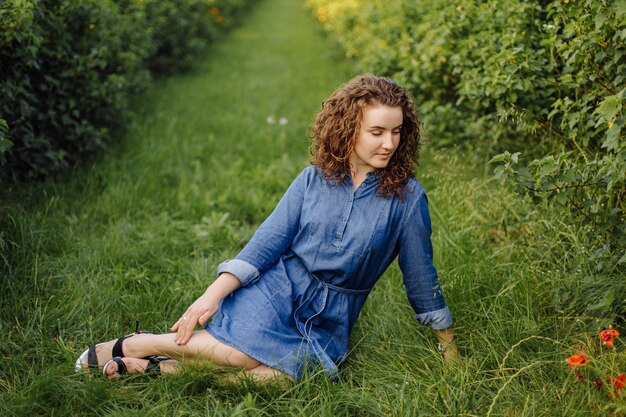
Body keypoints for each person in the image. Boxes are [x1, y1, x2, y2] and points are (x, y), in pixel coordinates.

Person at [75, 74, 458, 383]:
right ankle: (141, 344)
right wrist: (211, 296)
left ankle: (161, 369)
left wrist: (448, 347)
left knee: (295, 376)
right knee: (241, 354)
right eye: (377, 132)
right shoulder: (313, 179)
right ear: (349, 128)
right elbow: (268, 243)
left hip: (332, 315)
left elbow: (421, 276)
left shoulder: (408, 198)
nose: (389, 143)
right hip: (280, 288)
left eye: (397, 132)